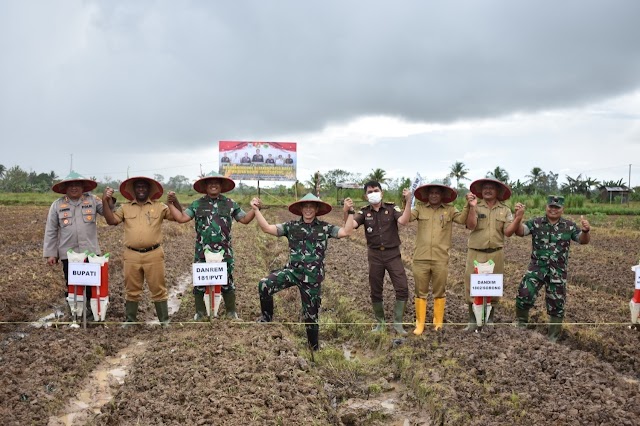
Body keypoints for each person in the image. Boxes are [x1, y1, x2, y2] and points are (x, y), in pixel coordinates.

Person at [252, 193, 355, 350]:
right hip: (292, 272)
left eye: (311, 206)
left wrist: (350, 212)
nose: (308, 209)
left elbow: (346, 232)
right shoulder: (291, 226)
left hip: (312, 279)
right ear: (300, 209)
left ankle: (313, 348)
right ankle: (266, 318)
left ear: (317, 209)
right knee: (265, 284)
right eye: (305, 206)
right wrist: (256, 210)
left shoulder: (325, 228)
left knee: (311, 317)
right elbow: (267, 228)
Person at [167, 171, 258, 320]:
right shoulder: (197, 204)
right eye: (210, 183)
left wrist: (255, 209)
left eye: (217, 182)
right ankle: (200, 313)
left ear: (221, 186)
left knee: (227, 280)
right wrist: (170, 204)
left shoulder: (230, 203)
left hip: (224, 250)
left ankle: (231, 312)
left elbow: (245, 219)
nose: (213, 185)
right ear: (205, 186)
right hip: (202, 250)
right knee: (200, 281)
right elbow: (182, 218)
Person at [505, 195, 591, 342]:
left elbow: (582, 241)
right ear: (546, 207)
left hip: (557, 271)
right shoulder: (536, 223)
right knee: (524, 293)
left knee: (557, 303)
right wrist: (518, 217)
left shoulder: (569, 226)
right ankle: (521, 324)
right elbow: (521, 232)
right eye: (551, 206)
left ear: (562, 209)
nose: (553, 209)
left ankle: (553, 336)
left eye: (557, 207)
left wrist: (585, 231)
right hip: (537, 268)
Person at [102, 176, 176, 326]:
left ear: (149, 190)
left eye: (144, 187)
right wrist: (105, 201)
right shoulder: (125, 208)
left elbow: (177, 217)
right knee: (132, 289)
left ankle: (164, 320)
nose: (141, 189)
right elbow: (111, 221)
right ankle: (130, 320)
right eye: (138, 187)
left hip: (154, 253)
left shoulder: (160, 206)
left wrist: (173, 202)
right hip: (131, 254)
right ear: (134, 190)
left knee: (158, 287)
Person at [346, 181, 412, 335]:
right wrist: (347, 211)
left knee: (402, 287)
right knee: (376, 289)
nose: (373, 193)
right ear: (365, 195)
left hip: (393, 254)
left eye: (376, 190)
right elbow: (349, 228)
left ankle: (398, 323)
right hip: (374, 255)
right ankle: (380, 323)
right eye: (370, 191)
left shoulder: (391, 208)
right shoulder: (363, 212)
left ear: (382, 193)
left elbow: (403, 221)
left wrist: (409, 201)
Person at [43, 171, 109, 318]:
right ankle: (75, 313)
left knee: (93, 285)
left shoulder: (93, 200)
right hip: (69, 254)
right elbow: (51, 230)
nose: (74, 188)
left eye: (77, 185)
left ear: (83, 187)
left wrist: (108, 199)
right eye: (70, 185)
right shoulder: (57, 205)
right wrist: (51, 254)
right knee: (73, 284)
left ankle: (93, 312)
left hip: (90, 252)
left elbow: (107, 211)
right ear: (65, 188)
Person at [410, 183, 472, 334]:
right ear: (427, 195)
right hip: (421, 257)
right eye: (431, 193)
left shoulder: (450, 210)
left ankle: (437, 323)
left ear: (442, 195)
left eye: (437, 193)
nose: (434, 195)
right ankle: (420, 324)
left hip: (440, 258)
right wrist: (406, 201)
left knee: (440, 291)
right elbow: (407, 218)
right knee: (420, 291)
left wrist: (468, 205)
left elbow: (463, 220)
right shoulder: (419, 208)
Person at [462, 178, 514, 331]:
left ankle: (489, 319)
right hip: (476, 252)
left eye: (491, 188)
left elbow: (507, 232)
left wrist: (518, 218)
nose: (488, 190)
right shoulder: (476, 206)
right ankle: (472, 320)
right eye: (485, 188)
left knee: (492, 287)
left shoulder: (505, 210)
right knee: (472, 286)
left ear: (497, 191)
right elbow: (471, 225)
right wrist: (472, 208)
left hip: (495, 253)